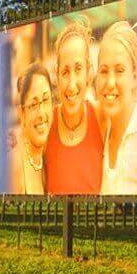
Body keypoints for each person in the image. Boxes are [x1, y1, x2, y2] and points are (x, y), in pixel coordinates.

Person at [45, 17, 104, 194]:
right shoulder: (45, 124)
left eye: (78, 69)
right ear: (56, 75)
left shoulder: (102, 118)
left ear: (88, 71)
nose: (71, 85)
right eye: (65, 72)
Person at [96, 21, 137, 195]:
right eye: (104, 71)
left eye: (119, 70)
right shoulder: (101, 133)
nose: (110, 82)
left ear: (135, 75)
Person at [11, 63, 53, 194]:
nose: (41, 113)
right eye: (33, 105)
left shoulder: (51, 153)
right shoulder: (15, 166)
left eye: (46, 100)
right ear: (22, 113)